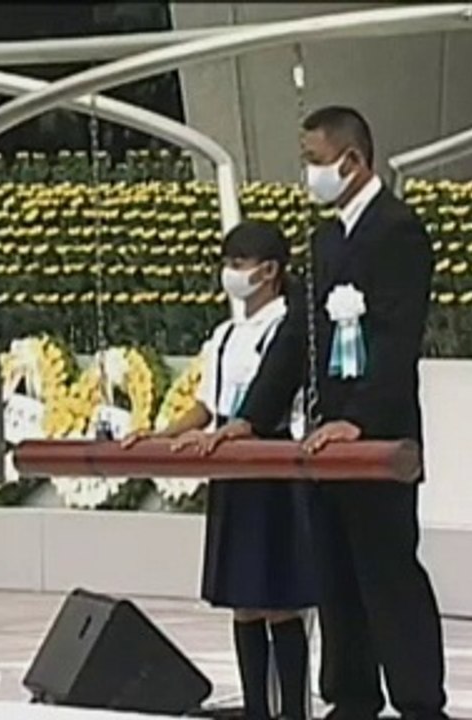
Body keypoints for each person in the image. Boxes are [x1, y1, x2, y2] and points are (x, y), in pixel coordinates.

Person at [203, 106, 449, 720]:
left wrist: (360, 420)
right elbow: (298, 337)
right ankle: (352, 696)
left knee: (386, 568)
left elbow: (397, 338)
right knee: (334, 572)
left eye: (315, 161)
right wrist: (251, 417)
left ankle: (419, 701)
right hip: (321, 441)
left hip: (375, 435)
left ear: (353, 160)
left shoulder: (397, 229)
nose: (309, 173)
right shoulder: (327, 237)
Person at [121, 220, 317, 720]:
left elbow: (267, 402)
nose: (230, 273)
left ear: (270, 270)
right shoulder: (226, 334)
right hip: (230, 467)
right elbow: (207, 405)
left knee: (279, 596)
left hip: (271, 463)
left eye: (239, 264)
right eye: (227, 264)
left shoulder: (289, 326)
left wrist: (226, 434)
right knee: (244, 598)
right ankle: (256, 708)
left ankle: (292, 709)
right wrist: (160, 434)